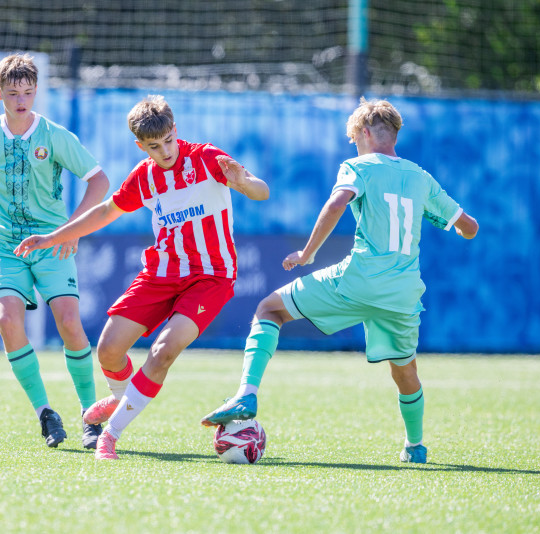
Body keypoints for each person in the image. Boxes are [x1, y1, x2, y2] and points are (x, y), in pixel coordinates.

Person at [201, 97, 479, 464]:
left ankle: (247, 393)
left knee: (269, 309)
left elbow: (336, 204)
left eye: (355, 138)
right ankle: (415, 446)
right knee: (405, 370)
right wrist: (439, 219)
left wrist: (307, 254)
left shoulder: (358, 166)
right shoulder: (420, 177)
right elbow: (470, 227)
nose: (355, 145)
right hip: (402, 293)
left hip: (358, 280)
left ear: (365, 133)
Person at [15, 95, 270, 460]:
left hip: (211, 277)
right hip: (161, 273)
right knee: (108, 350)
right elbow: (106, 211)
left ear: (175, 131)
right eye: (154, 146)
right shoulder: (144, 177)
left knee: (163, 351)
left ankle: (111, 435)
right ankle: (123, 398)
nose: (165, 151)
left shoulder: (208, 159)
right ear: (141, 146)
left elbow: (262, 191)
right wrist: (59, 236)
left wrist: (243, 182)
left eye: (168, 141)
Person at [0, 53, 110, 450]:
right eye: (13, 93)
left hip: (51, 242)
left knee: (69, 321)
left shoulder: (55, 135)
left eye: (28, 92)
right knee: (8, 321)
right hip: (5, 245)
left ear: (36, 91)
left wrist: (72, 228)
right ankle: (45, 413)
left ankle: (90, 416)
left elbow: (99, 181)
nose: (21, 100)